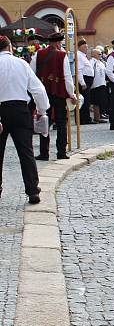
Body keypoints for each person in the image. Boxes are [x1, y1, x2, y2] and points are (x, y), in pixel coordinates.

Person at [0, 35, 49, 204]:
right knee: (26, 152)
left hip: (0, 111)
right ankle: (32, 190)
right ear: (10, 48)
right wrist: (42, 110)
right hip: (20, 110)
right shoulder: (21, 64)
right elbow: (38, 89)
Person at [30, 32, 77, 161]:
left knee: (44, 121)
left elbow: (32, 74)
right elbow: (67, 77)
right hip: (59, 94)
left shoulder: (38, 54)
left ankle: (44, 153)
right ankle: (61, 152)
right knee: (62, 123)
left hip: (43, 94)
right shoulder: (63, 56)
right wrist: (72, 94)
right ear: (58, 43)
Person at [76, 39, 94, 124]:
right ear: (79, 47)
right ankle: (83, 119)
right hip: (84, 79)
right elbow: (79, 70)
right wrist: (82, 83)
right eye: (84, 47)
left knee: (86, 101)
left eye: (87, 47)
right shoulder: (79, 55)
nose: (86, 48)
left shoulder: (83, 55)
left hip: (87, 79)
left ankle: (86, 118)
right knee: (84, 101)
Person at [89, 46, 108, 124]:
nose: (100, 55)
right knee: (96, 102)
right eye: (99, 54)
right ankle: (96, 117)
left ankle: (100, 116)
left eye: (101, 54)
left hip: (102, 83)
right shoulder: (92, 62)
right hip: (95, 84)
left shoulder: (101, 62)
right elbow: (91, 73)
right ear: (94, 54)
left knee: (101, 101)